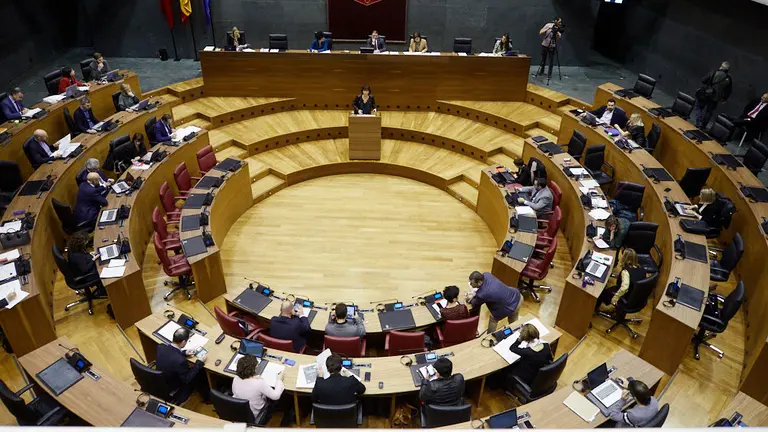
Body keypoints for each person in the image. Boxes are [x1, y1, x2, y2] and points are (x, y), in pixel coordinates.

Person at [155, 327, 210, 403]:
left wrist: (184, 353)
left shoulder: (160, 347)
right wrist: (199, 362)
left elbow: (171, 354)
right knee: (201, 371)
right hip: (174, 385)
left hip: (162, 380)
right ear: (184, 342)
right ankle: (207, 398)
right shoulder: (180, 361)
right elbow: (187, 379)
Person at [231, 354, 285, 420]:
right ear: (253, 370)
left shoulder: (236, 378)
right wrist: (279, 380)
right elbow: (276, 396)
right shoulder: (259, 383)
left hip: (240, 411)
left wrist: (253, 378)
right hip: (255, 414)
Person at [595, 249, 647, 313]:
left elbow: (624, 288)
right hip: (637, 297)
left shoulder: (625, 272)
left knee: (602, 292)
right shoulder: (642, 269)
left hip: (627, 297)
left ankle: (595, 309)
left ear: (625, 258)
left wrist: (615, 299)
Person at [503, 324, 553, 388]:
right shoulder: (546, 345)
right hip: (538, 373)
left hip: (526, 377)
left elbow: (512, 348)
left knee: (506, 370)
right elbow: (550, 359)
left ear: (525, 338)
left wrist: (520, 339)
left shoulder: (527, 352)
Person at [66, 230, 106, 297]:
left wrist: (90, 254)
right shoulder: (77, 256)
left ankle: (101, 286)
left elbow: (83, 255)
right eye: (86, 242)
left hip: (79, 270)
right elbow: (85, 269)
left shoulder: (73, 248)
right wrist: (93, 259)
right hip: (85, 276)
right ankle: (103, 290)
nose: (87, 243)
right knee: (103, 267)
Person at [694, 62, 732, 129]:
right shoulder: (728, 78)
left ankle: (698, 122)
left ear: (721, 67)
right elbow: (728, 91)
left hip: (706, 94)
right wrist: (724, 99)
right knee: (709, 112)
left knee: (699, 107)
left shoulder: (714, 72)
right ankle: (703, 126)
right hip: (716, 98)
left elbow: (703, 80)